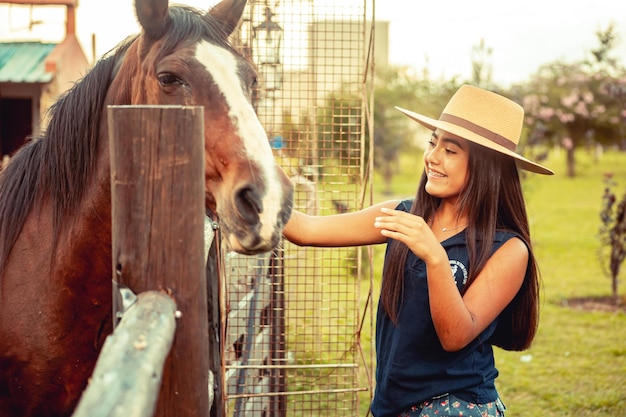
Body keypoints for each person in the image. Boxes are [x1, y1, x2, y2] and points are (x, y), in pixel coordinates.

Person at [282, 84, 554, 417]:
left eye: (450, 151)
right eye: (432, 142)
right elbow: (304, 230)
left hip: (456, 406)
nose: (432, 157)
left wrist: (435, 257)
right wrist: (253, 169)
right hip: (391, 404)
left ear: (486, 166)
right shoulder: (403, 215)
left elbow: (455, 336)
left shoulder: (508, 249)